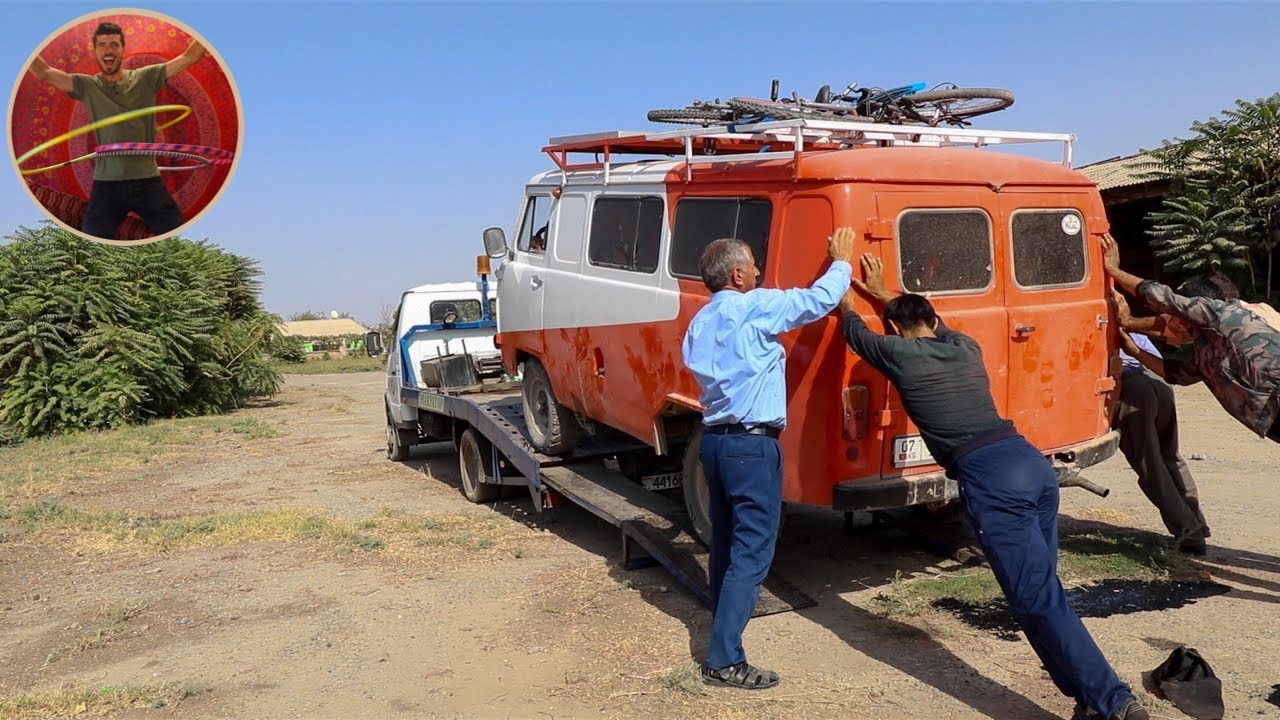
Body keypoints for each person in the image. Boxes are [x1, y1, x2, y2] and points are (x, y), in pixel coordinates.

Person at [840, 253, 1149, 720]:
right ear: (933, 320)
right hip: (1031, 465)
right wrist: (886, 291)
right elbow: (923, 320)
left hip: (991, 479)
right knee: (1041, 597)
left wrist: (841, 272)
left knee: (1038, 598)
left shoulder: (898, 355)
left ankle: (1114, 700)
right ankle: (1088, 699)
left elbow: (851, 326)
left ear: (899, 330)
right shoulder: (965, 347)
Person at [681, 227, 854, 689]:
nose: (760, 271)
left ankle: (722, 625)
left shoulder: (700, 321)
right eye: (755, 264)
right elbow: (817, 301)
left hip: (715, 442)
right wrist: (842, 260)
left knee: (726, 542)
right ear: (738, 275)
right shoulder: (752, 306)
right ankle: (724, 660)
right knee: (752, 552)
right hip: (750, 445)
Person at [26, 21, 207, 239]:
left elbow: (189, 57)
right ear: (95, 51)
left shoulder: (146, 77)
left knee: (178, 239)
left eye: (114, 44)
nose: (108, 50)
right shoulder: (87, 86)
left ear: (122, 49)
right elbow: (44, 72)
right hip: (107, 186)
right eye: (102, 45)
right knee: (90, 242)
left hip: (148, 181)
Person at [1101, 233, 1280, 442]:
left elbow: (1162, 298)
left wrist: (1113, 270)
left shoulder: (1222, 312)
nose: (1176, 317)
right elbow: (1175, 374)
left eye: (1183, 310)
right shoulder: (1206, 353)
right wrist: (1135, 349)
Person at [1112, 299, 1210, 555]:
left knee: (1151, 467)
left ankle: (1189, 535)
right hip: (1157, 381)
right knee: (1170, 456)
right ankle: (1197, 522)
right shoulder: (1125, 319)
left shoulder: (1091, 322)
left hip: (1132, 389)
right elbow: (1153, 358)